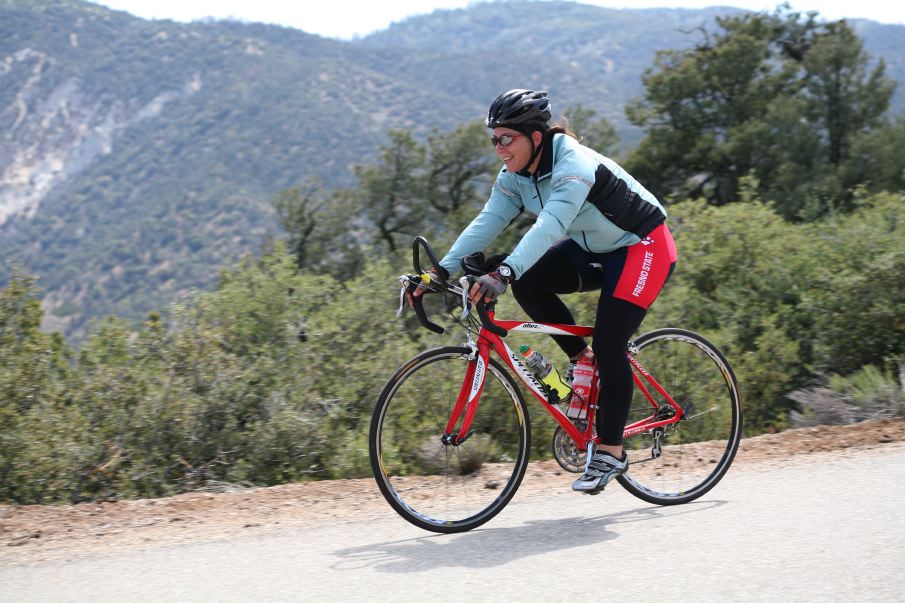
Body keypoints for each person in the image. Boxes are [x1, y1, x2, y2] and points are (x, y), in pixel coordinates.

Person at [421, 89, 677, 494]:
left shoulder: (572, 163)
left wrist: (502, 272)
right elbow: (487, 221)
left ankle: (611, 452)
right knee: (528, 280)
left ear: (535, 137)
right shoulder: (514, 176)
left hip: (642, 247)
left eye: (507, 138)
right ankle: (581, 360)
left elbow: (551, 226)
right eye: (494, 139)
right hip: (592, 249)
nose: (499, 148)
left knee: (612, 344)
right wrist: (438, 272)